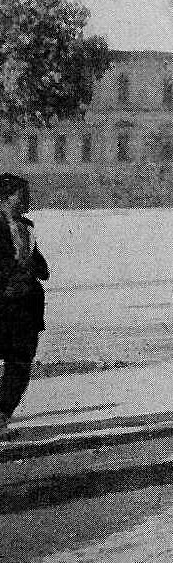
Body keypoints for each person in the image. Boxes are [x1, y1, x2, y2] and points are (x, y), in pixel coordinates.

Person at [0, 174, 49, 440]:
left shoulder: (27, 228)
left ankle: (2, 417)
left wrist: (32, 267)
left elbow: (42, 269)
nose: (28, 200)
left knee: (19, 364)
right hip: (3, 307)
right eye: (23, 195)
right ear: (5, 198)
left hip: (25, 310)